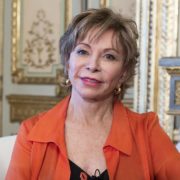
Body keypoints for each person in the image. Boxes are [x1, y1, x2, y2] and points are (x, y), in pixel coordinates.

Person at [6, 8, 180, 180]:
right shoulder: (31, 133)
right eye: (83, 51)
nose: (93, 65)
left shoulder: (147, 131)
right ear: (68, 62)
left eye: (109, 56)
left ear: (124, 73)